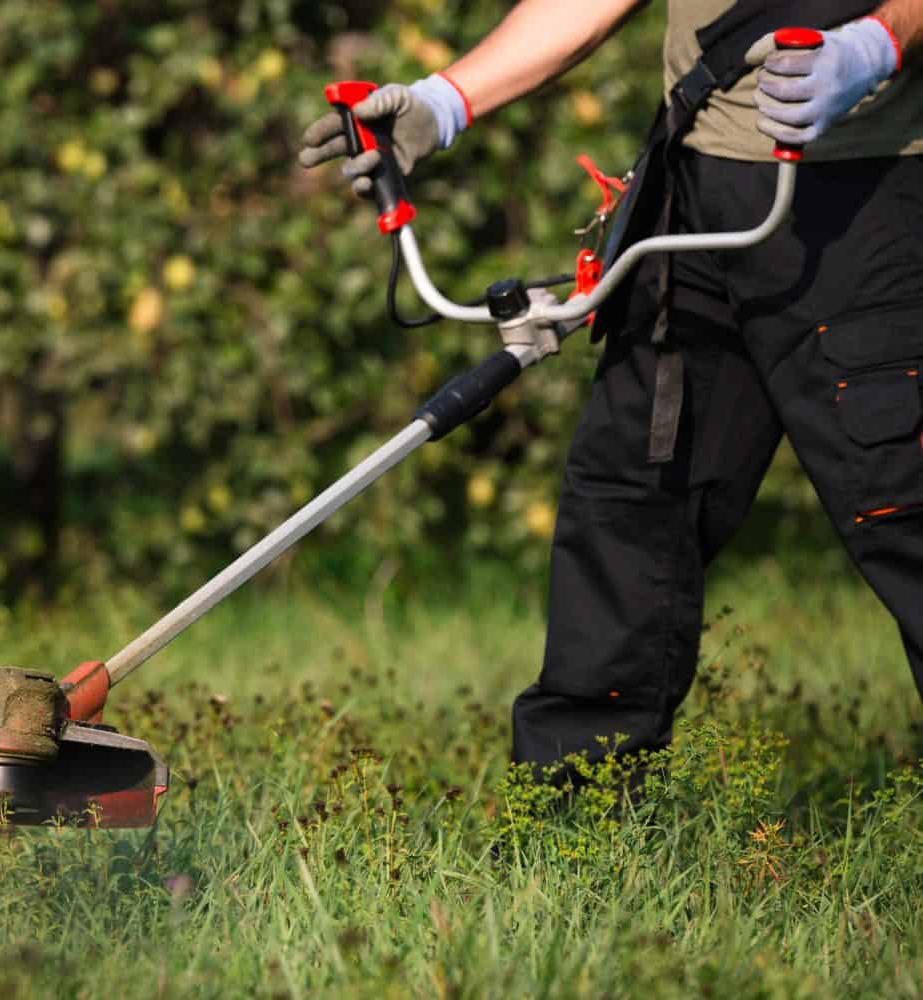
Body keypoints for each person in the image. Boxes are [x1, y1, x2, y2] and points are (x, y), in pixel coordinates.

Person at [301, 1, 923, 773]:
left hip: (874, 195)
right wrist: (445, 101)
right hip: (692, 196)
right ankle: (573, 833)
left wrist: (880, 41)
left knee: (905, 511)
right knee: (630, 512)